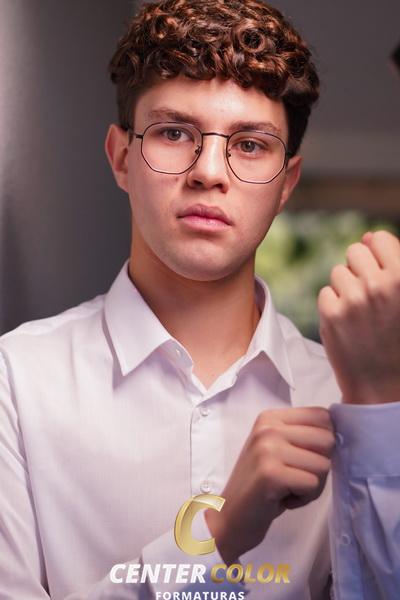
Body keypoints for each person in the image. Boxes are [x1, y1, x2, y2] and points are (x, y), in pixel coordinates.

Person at [0, 0, 399, 598]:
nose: (209, 171)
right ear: (121, 158)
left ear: (286, 184)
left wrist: (377, 411)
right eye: (174, 133)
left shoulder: (352, 399)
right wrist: (217, 535)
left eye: (251, 145)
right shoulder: (16, 381)